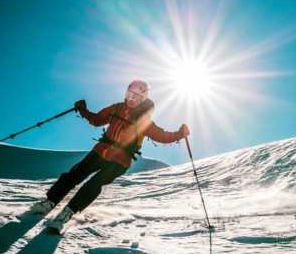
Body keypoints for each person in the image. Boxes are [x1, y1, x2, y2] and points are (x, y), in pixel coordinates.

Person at [30, 79, 190, 231]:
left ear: (143, 99)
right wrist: (83, 110)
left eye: (136, 97)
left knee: (93, 185)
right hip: (101, 151)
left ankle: (66, 214)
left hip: (120, 161)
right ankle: (49, 202)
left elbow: (161, 136)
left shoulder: (144, 120)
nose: (131, 99)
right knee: (75, 174)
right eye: (129, 94)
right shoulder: (116, 108)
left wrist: (179, 134)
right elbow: (97, 120)